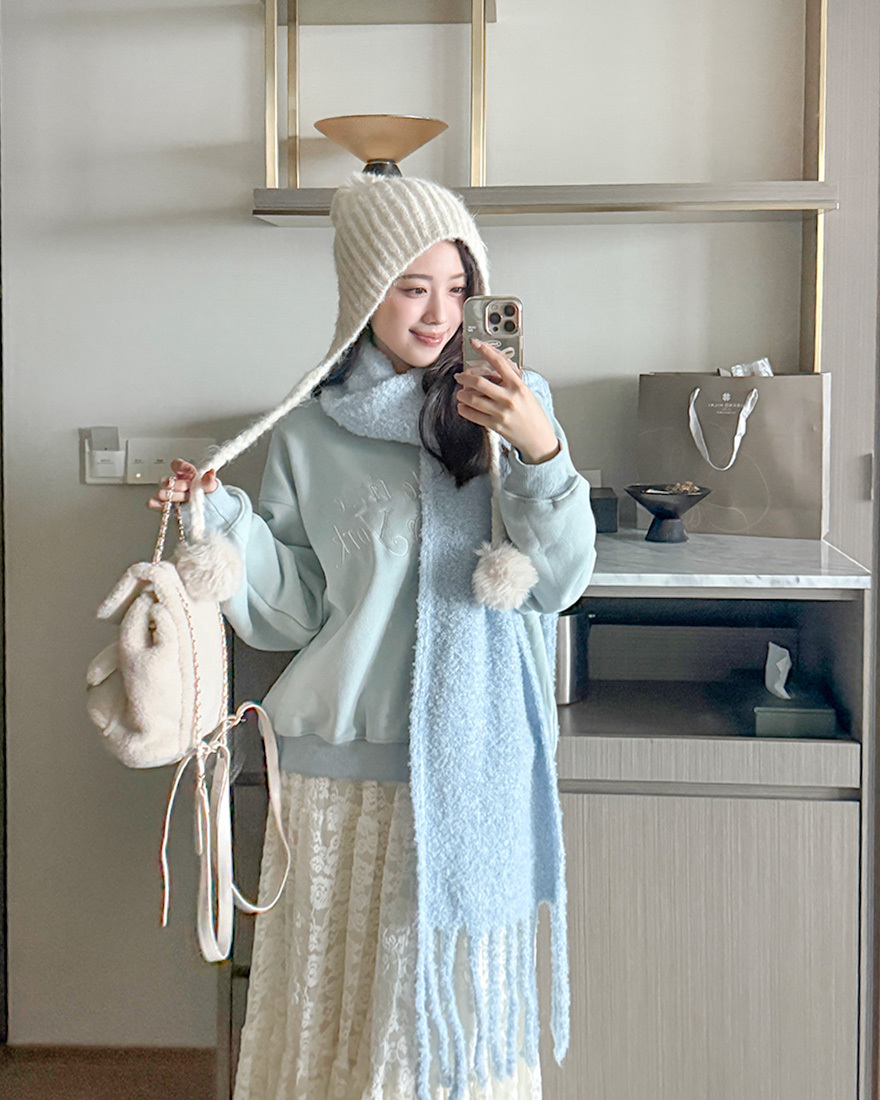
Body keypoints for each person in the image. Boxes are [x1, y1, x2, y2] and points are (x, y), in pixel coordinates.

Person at [150, 173, 596, 1100]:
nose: (440, 315)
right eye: (412, 288)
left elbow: (557, 585)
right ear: (364, 292)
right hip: (338, 776)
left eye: (458, 288)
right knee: (336, 1035)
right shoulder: (311, 430)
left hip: (469, 769)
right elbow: (295, 609)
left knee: (445, 1047)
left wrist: (539, 449)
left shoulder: (519, 406)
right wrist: (219, 523)